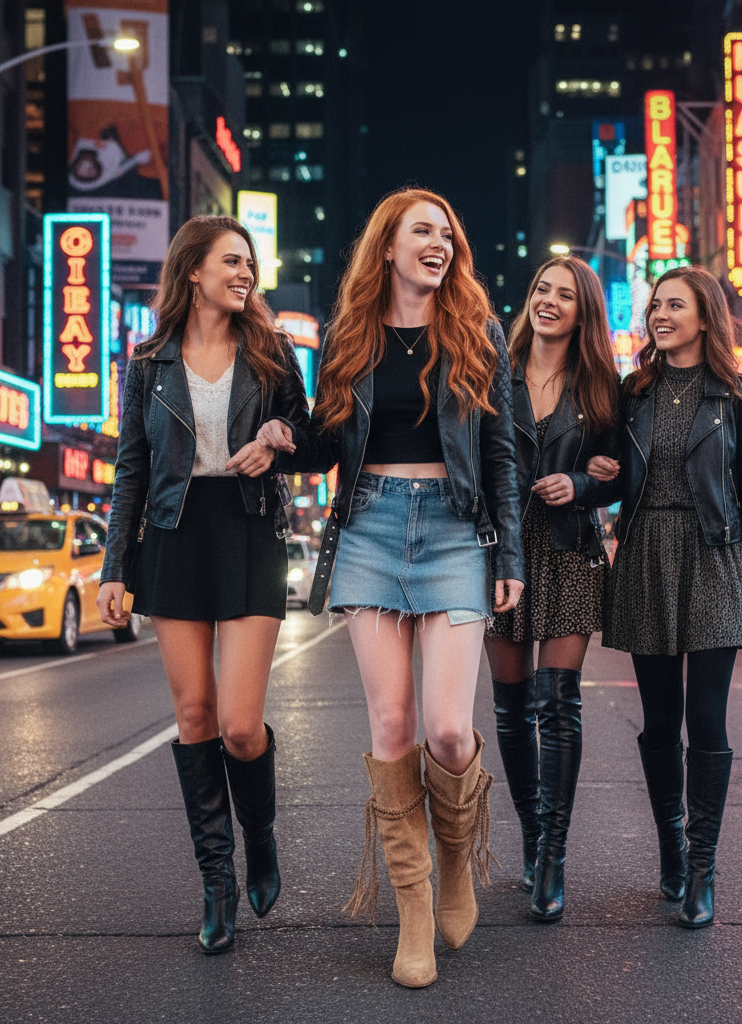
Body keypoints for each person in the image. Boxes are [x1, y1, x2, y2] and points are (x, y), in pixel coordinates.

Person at [257, 188, 524, 987]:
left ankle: (453, 863)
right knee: (394, 723)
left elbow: (501, 449)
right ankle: (412, 910)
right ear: (389, 246)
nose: (438, 242)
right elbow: (328, 439)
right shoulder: (350, 334)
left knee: (447, 730)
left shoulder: (479, 334)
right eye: (423, 231)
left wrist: (507, 553)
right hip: (371, 523)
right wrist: (282, 437)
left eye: (447, 232)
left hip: (454, 527)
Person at [97, 215, 311, 955]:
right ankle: (216, 882)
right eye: (231, 260)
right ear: (193, 270)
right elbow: (131, 467)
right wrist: (114, 567)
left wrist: (279, 440)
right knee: (194, 716)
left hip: (249, 527)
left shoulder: (272, 350)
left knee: (241, 726)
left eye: (249, 261)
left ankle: (260, 834)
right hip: (175, 535)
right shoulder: (149, 360)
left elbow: (307, 438)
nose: (245, 271)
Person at [587, 265, 742, 929]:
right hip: (646, 554)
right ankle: (671, 849)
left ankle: (703, 864)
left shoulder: (736, 394)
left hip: (714, 556)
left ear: (705, 316)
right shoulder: (634, 390)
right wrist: (593, 473)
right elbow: (615, 474)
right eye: (655, 306)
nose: (659, 315)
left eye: (674, 305)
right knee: (658, 722)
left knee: (706, 721)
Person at [484, 257, 619, 921]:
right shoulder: (493, 374)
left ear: (582, 311)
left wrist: (588, 485)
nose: (550, 301)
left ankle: (554, 856)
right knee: (510, 706)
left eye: (565, 295)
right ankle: (533, 837)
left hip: (568, 549)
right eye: (542, 289)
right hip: (502, 550)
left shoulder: (598, 385)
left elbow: (626, 470)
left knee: (557, 701)